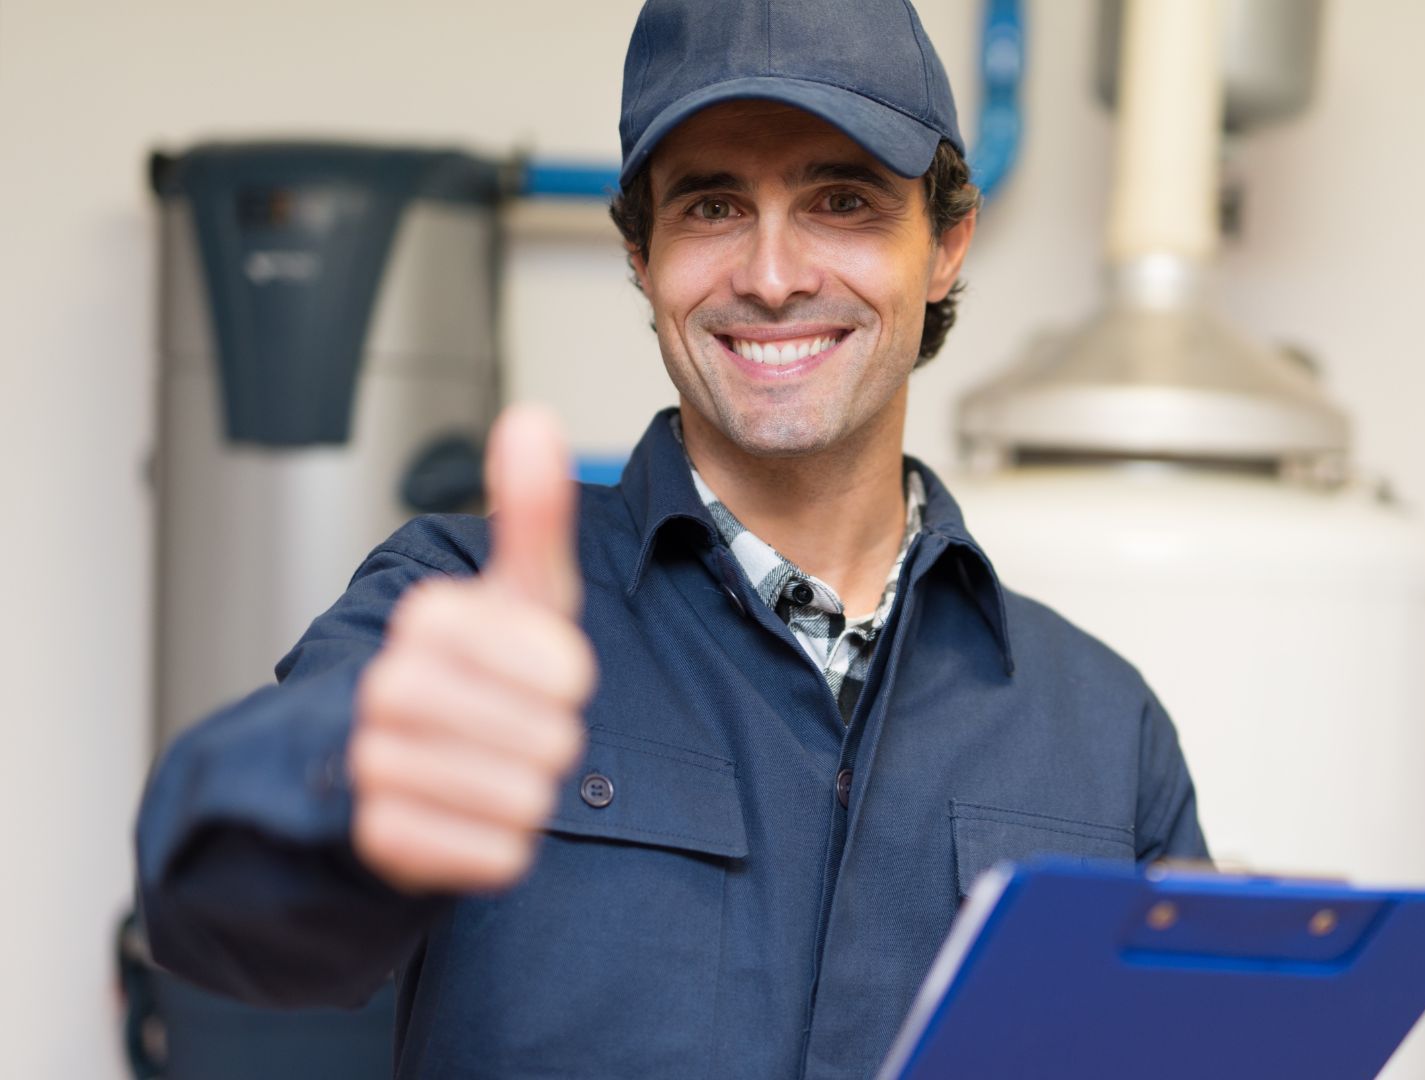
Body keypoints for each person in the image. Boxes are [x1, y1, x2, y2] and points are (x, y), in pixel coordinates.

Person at [134, 1, 1207, 1076]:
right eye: (712, 205)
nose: (774, 275)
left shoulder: (1105, 733)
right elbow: (215, 914)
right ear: (643, 254)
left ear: (944, 245)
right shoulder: (455, 609)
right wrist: (343, 780)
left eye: (843, 200)